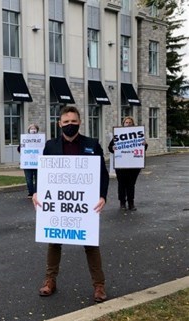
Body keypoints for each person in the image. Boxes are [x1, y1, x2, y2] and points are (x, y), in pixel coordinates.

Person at [33, 106, 109, 303]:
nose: (70, 125)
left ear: (80, 122)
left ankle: (99, 285)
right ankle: (50, 280)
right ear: (59, 124)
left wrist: (102, 196)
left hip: (84, 206)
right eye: (66, 122)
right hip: (58, 206)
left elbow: (102, 173)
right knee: (54, 242)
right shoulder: (50, 146)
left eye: (73, 122)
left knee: (91, 243)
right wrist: (35, 192)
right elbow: (42, 174)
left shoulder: (92, 144)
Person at [108, 116, 147, 211]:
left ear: (133, 124)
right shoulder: (118, 135)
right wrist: (113, 148)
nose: (128, 124)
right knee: (121, 184)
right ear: (123, 124)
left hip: (134, 165)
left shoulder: (138, 135)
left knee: (131, 185)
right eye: (126, 122)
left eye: (130, 122)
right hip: (121, 165)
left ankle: (131, 203)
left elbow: (143, 149)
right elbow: (110, 147)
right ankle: (122, 203)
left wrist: (144, 144)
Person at [17, 124, 40, 198]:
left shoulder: (40, 140)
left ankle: (36, 192)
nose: (33, 130)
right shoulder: (25, 139)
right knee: (28, 179)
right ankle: (31, 192)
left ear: (37, 130)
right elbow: (20, 149)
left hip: (37, 163)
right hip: (27, 163)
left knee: (38, 178)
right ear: (28, 130)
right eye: (31, 128)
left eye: (34, 128)